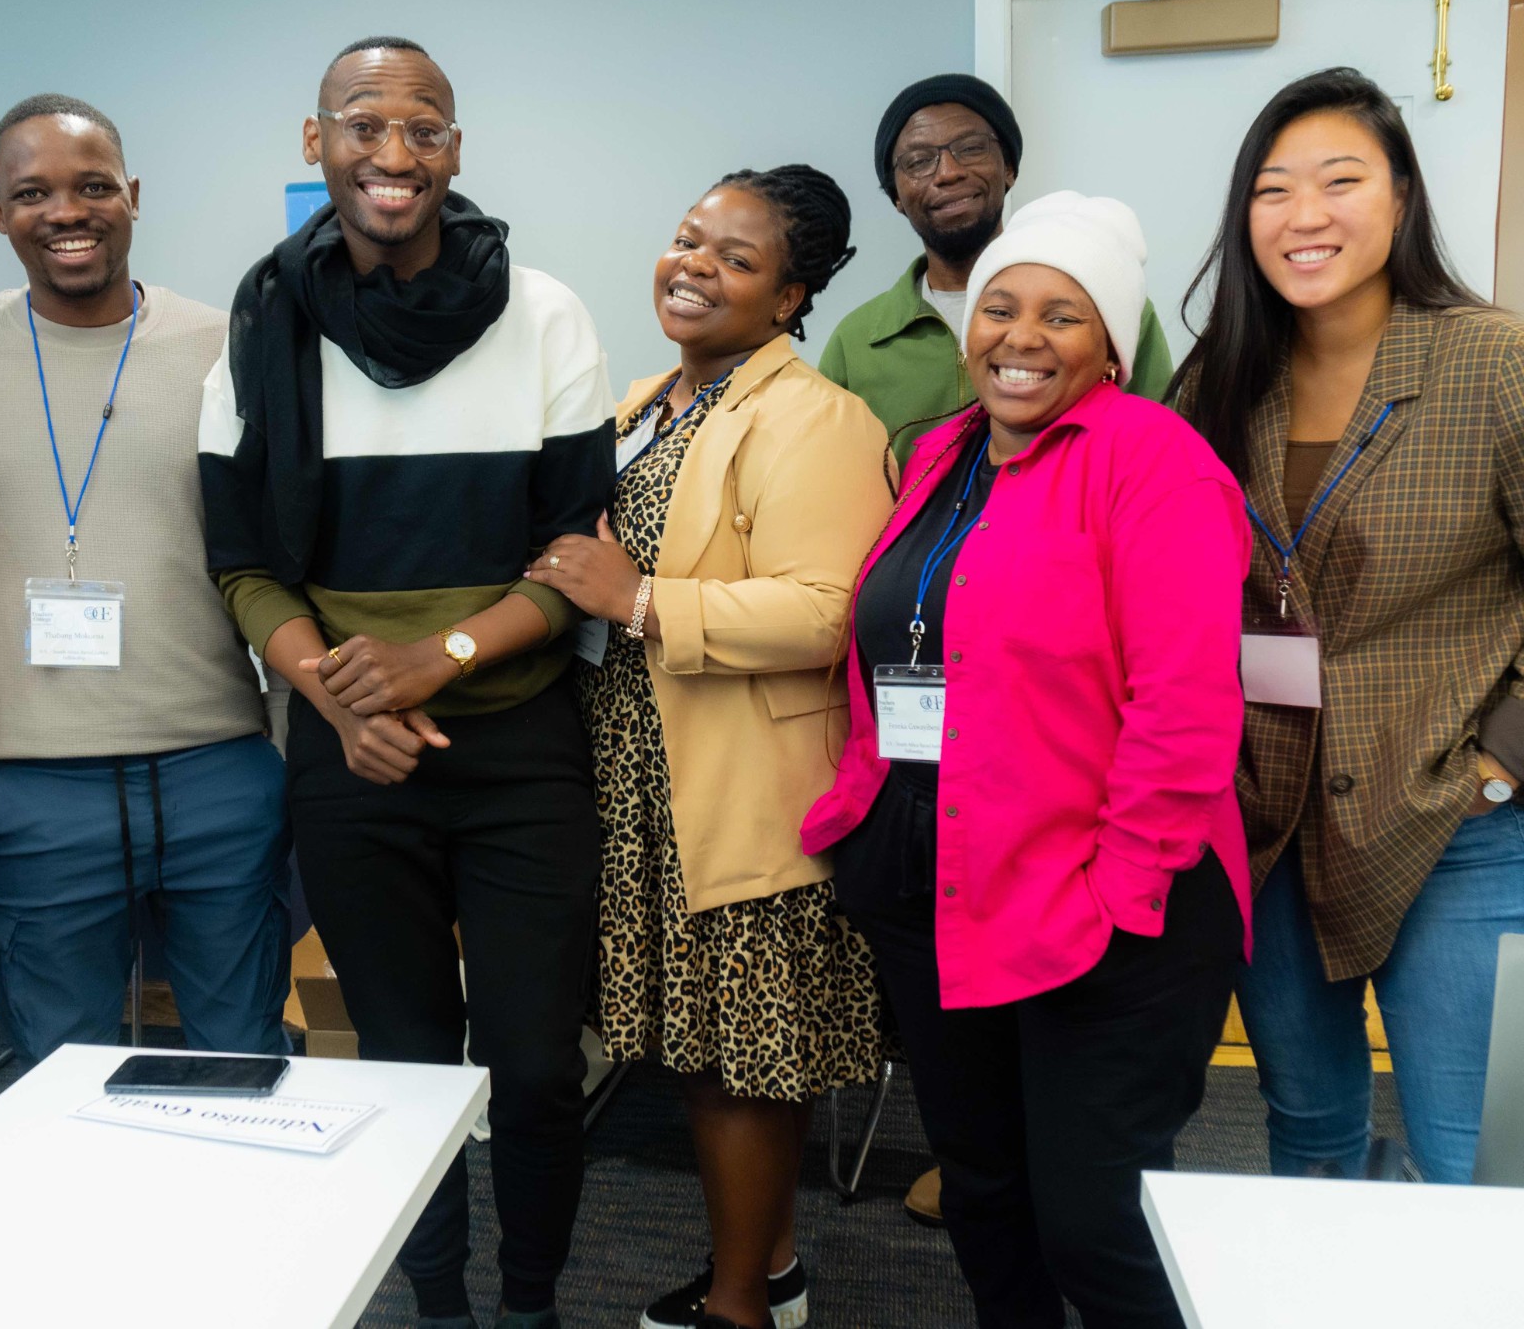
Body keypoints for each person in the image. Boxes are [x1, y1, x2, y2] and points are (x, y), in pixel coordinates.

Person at [198, 36, 614, 1329]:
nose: (392, 155)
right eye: (363, 125)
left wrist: (445, 654)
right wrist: (336, 697)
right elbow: (241, 561)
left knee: (539, 1067)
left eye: (422, 127)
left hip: (518, 751)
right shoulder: (261, 323)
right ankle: (438, 1300)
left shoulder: (544, 313)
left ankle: (530, 1299)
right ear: (314, 139)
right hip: (353, 753)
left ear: (456, 148)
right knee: (404, 1062)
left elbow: (576, 560)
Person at [802, 192, 1251, 1329]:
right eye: (998, 306)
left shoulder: (1157, 463)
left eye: (1062, 314)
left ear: (1109, 343)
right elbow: (898, 643)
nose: (1020, 336)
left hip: (1106, 902)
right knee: (984, 1191)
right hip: (936, 884)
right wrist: (858, 814)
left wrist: (1120, 890)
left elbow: (1184, 702)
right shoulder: (938, 454)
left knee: (1091, 1220)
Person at [525, 166, 892, 1329]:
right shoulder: (642, 405)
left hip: (739, 782)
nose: (694, 267)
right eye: (687, 239)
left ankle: (740, 1301)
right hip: (641, 772)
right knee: (694, 1045)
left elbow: (829, 609)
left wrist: (638, 600)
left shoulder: (817, 418)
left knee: (737, 1057)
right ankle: (768, 1270)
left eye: (735, 259)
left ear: (790, 298)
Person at [0, 94, 290, 1065]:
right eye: (34, 192)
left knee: (242, 1055)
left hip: (216, 762)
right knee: (60, 1075)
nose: (67, 211)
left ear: (132, 196)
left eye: (93, 186)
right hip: (34, 782)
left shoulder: (232, 344)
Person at [1171, 67, 1524, 1186]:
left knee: (1474, 1160)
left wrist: (1498, 764)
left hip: (1448, 825)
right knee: (1306, 1141)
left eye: (1339, 181)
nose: (1303, 215)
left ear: (1402, 198)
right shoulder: (1220, 379)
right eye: (1272, 189)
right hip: (1264, 822)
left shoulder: (1489, 362)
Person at [819, 73, 1175, 469]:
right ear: (896, 196)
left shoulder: (1107, 309)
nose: (948, 172)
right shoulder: (856, 344)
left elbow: (1165, 458)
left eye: (970, 149)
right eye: (919, 162)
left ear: (1008, 168)